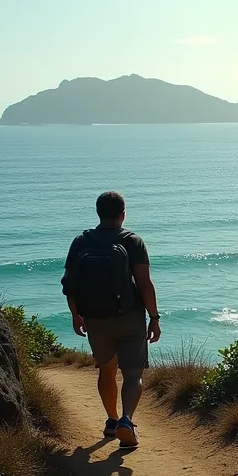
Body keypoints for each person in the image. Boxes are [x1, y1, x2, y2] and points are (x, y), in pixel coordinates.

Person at [61, 191, 161, 449]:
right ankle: (126, 421)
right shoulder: (133, 241)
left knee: (106, 369)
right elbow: (144, 284)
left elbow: (69, 284)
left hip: (95, 319)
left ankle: (111, 421)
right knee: (132, 373)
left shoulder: (80, 242)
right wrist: (154, 317)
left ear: (98, 213)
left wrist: (75, 314)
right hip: (128, 317)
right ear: (123, 214)